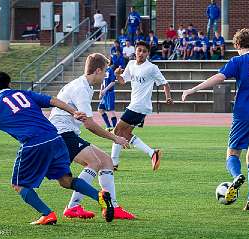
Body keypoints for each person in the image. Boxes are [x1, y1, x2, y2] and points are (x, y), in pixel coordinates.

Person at [0, 72, 115, 224]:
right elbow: (53, 100)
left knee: (18, 184)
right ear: (9, 84)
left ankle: (47, 214)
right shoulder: (23, 94)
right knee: (65, 180)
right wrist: (73, 111)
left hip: (34, 143)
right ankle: (99, 196)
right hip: (56, 138)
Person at [182, 28, 249, 211]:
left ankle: (236, 176)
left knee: (232, 154)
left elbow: (218, 77)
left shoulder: (238, 61)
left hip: (244, 114)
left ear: (238, 45)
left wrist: (193, 90)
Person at [49, 53, 136, 220]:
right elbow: (89, 124)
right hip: (61, 133)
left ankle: (114, 208)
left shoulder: (85, 86)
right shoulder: (81, 88)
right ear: (97, 70)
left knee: (107, 161)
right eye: (104, 72)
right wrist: (115, 138)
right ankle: (73, 207)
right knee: (94, 162)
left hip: (68, 132)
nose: (105, 76)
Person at [111, 41, 173, 171]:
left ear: (148, 54)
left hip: (139, 105)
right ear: (135, 51)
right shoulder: (131, 64)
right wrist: (117, 74)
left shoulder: (151, 68)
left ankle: (113, 163)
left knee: (117, 131)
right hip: (137, 105)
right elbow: (123, 81)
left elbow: (165, 83)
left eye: (144, 51)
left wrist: (168, 97)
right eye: (139, 50)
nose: (141, 53)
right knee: (125, 134)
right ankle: (152, 153)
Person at [98, 61, 118, 130]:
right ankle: (109, 126)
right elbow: (102, 82)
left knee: (111, 111)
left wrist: (105, 90)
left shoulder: (110, 70)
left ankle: (115, 128)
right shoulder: (104, 71)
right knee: (100, 109)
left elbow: (113, 82)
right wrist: (101, 91)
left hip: (109, 93)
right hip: (105, 93)